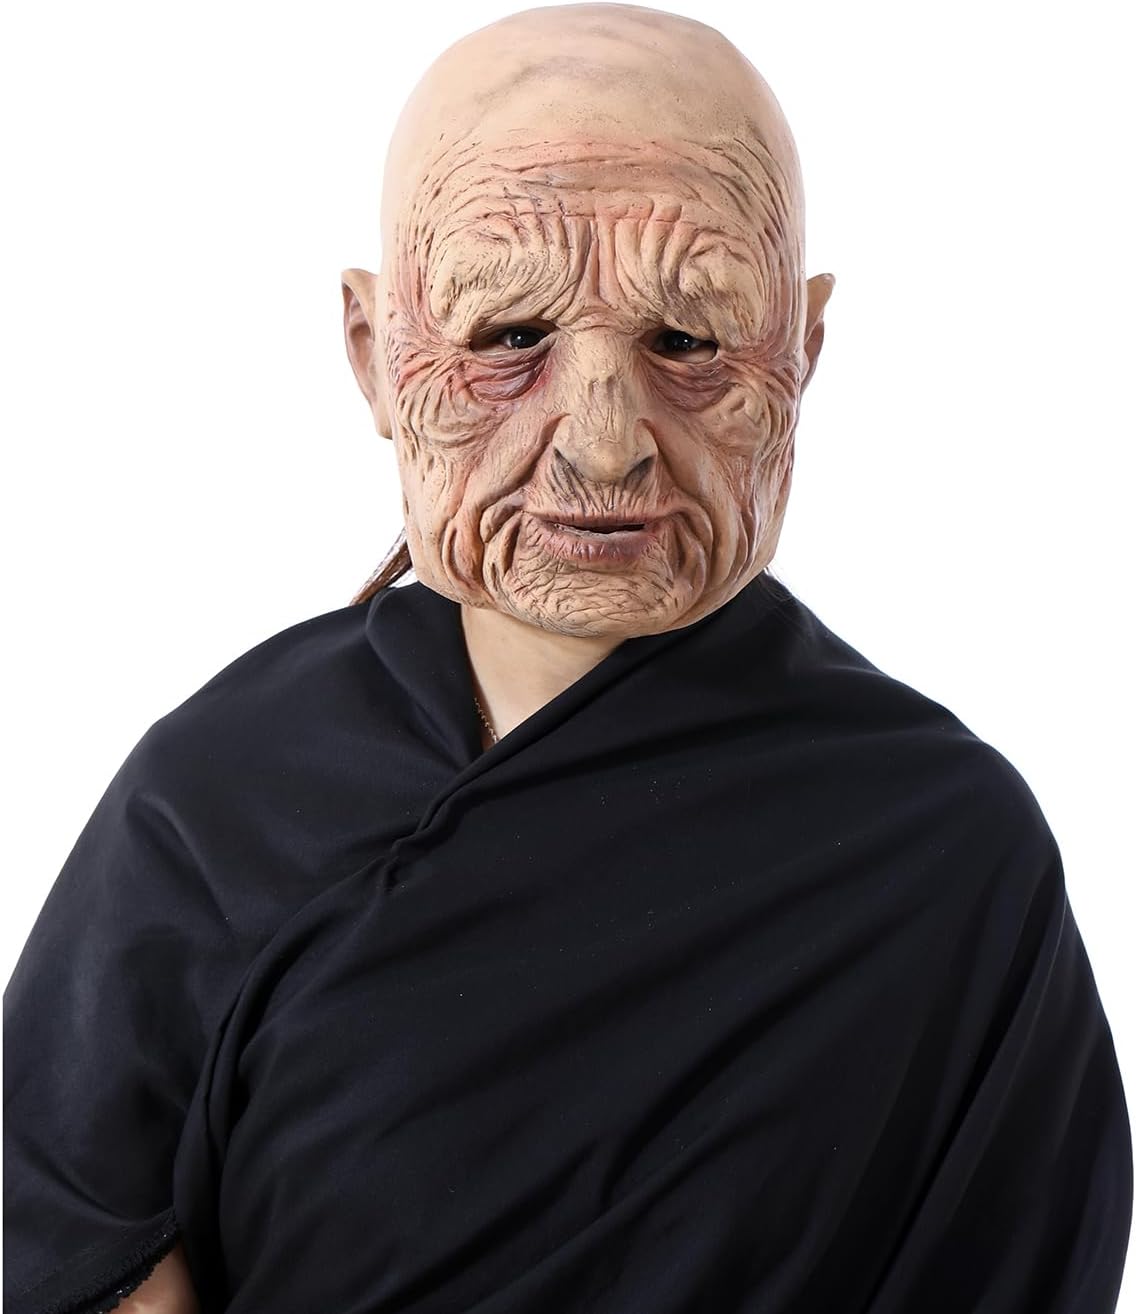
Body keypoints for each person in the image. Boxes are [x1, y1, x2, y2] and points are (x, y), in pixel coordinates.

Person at [5, 3, 1132, 1312]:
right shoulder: (222, 795)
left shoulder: (943, 852)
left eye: (688, 341)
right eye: (509, 339)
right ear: (372, 354)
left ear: (803, 349)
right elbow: (64, 1235)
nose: (604, 442)